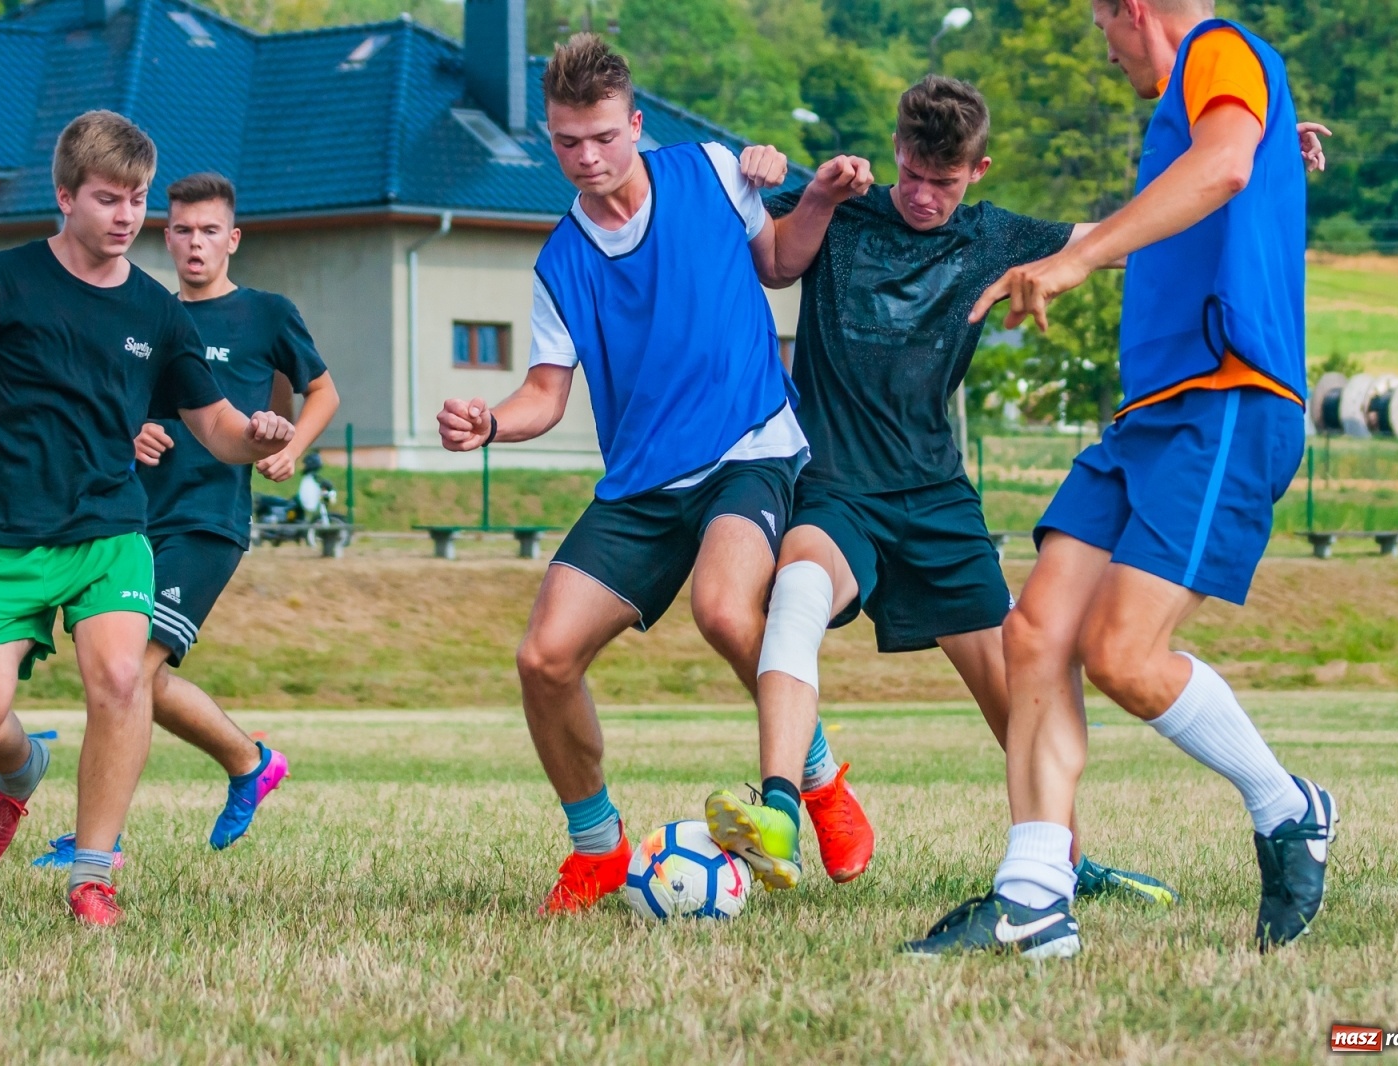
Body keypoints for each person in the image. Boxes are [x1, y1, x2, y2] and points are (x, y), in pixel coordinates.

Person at [903, 0, 1334, 958]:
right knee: (1035, 632)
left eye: (1101, 21)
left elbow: (1224, 163)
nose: (1102, 45)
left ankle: (1287, 806)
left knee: (1126, 657)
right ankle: (1034, 898)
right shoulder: (1208, 91)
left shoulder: (1221, 52)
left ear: (1133, 8)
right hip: (1152, 414)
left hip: (1225, 399)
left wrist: (1075, 259)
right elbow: (1224, 166)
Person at [700, 76, 1174, 905]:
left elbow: (1134, 237)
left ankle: (1063, 858)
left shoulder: (996, 239)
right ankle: (779, 804)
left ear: (978, 171)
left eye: (944, 183)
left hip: (937, 497)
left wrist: (1260, 162)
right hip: (838, 487)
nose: (923, 196)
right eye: (913, 174)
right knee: (798, 592)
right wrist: (759, 165)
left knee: (1020, 689)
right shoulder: (839, 202)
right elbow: (742, 221)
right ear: (894, 153)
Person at [436, 34, 872, 913]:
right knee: (543, 658)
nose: (587, 158)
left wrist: (816, 194)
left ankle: (816, 783)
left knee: (722, 607)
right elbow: (546, 394)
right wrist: (491, 422)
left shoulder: (711, 170)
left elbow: (780, 261)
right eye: (567, 142)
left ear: (636, 124)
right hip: (641, 484)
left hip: (748, 447)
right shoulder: (560, 262)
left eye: (602, 136)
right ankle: (598, 850)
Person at [0, 111, 294, 927]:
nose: (126, 217)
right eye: (109, 199)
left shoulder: (158, 313)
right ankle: (20, 770)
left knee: (123, 679)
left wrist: (254, 433)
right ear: (65, 196)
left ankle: (92, 875)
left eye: (137, 200)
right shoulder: (1, 281)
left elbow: (215, 425)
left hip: (110, 531)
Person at [46, 172, 336, 854]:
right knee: (129, 670)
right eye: (182, 230)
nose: (195, 243)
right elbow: (116, 407)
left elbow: (321, 391)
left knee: (130, 670)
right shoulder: (146, 314)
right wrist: (129, 433)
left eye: (210, 231)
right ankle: (250, 762)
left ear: (232, 239)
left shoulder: (266, 313)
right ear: (165, 236)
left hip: (209, 520)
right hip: (135, 518)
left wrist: (292, 445)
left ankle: (99, 840)